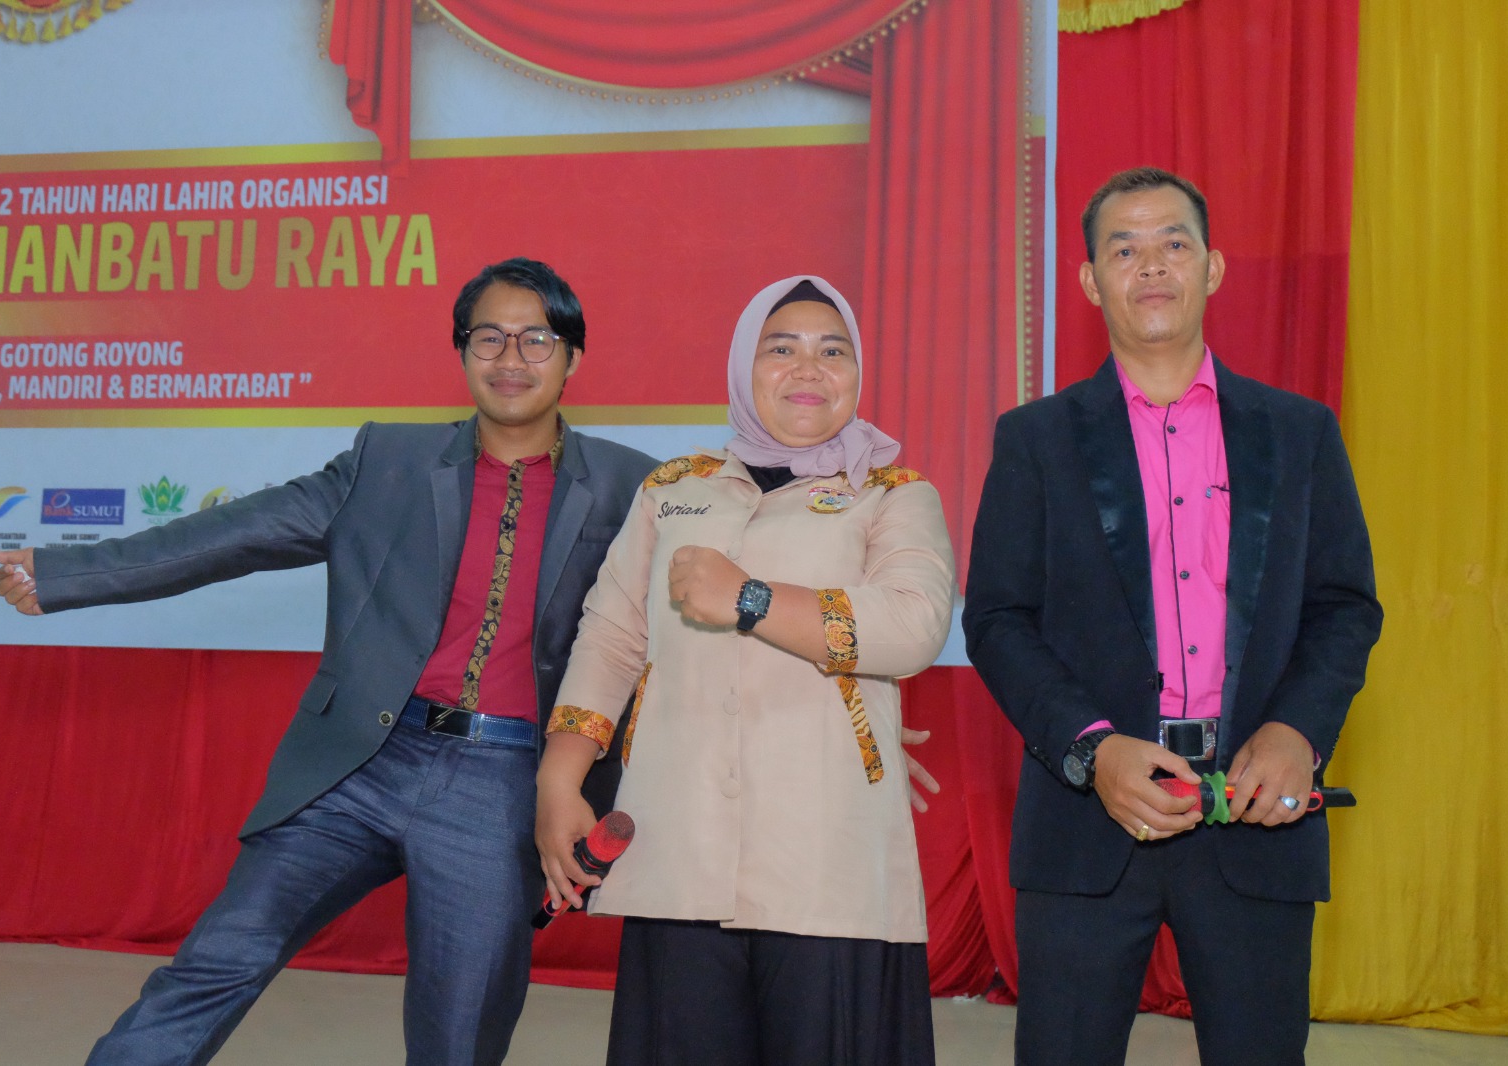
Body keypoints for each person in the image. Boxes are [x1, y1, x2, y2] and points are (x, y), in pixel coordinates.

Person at [0, 257, 660, 1066]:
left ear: (572, 356)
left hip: (504, 785)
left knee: (458, 1037)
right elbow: (240, 532)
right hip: (362, 761)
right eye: (489, 337)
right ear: (460, 350)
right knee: (215, 962)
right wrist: (68, 574)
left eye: (536, 339)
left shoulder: (633, 486)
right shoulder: (389, 460)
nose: (510, 358)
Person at [962, 167, 1383, 1065]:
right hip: (1088, 821)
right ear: (1090, 281)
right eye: (1124, 249)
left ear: (1212, 267)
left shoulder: (1299, 433)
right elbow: (997, 619)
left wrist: (1298, 733)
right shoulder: (1035, 439)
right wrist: (1093, 749)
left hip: (1254, 812)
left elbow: (1344, 606)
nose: (1151, 266)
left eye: (1173, 244)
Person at [534, 275, 956, 1066]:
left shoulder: (892, 495)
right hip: (679, 849)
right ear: (741, 367)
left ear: (858, 371)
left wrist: (750, 598)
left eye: (833, 351)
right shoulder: (673, 491)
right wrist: (561, 779)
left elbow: (912, 625)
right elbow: (611, 637)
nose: (809, 369)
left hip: (828, 863)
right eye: (781, 349)